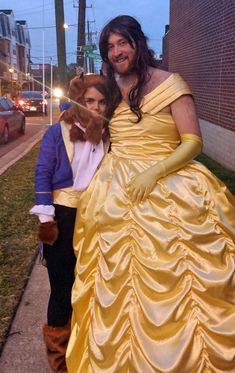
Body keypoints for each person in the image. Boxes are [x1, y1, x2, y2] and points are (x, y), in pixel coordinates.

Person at [66, 16, 235, 373]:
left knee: (177, 277)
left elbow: (192, 141)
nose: (116, 52)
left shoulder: (172, 83)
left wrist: (154, 172)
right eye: (109, 47)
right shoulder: (111, 88)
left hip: (168, 181)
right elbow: (92, 123)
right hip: (112, 191)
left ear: (138, 43)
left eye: (122, 43)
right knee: (112, 281)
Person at [30, 73, 109, 372]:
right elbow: (42, 173)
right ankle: (59, 360)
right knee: (63, 289)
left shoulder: (106, 134)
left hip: (97, 218)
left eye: (102, 102)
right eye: (90, 101)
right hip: (63, 216)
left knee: (91, 287)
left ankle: (87, 353)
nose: (96, 108)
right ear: (78, 100)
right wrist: (46, 218)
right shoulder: (56, 131)